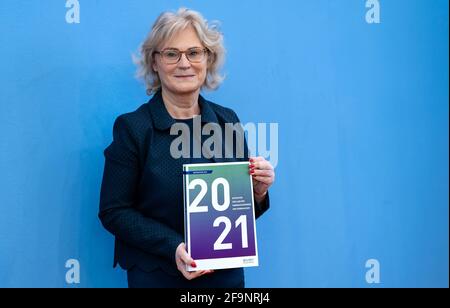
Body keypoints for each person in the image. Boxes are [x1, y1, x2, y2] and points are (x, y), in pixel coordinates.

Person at [99, 8, 275, 288]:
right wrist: (174, 246)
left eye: (194, 52)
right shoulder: (134, 128)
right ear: (155, 62)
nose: (184, 63)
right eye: (171, 54)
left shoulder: (227, 120)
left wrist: (258, 191)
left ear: (208, 59)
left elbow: (239, 215)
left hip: (224, 276)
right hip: (157, 273)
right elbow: (114, 211)